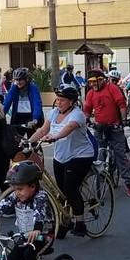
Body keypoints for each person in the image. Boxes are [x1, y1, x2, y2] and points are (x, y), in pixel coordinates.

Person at [28, 84, 93, 237]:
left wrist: (55, 136)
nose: (58, 102)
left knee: (70, 189)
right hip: (60, 156)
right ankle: (64, 222)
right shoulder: (53, 112)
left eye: (62, 100)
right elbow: (43, 130)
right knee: (60, 191)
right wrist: (28, 141)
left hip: (80, 155)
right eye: (57, 99)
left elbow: (68, 128)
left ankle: (80, 223)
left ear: (72, 101)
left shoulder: (77, 115)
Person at [83, 69, 130, 196]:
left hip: (115, 127)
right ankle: (101, 178)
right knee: (98, 154)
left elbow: (121, 105)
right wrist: (85, 121)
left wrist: (123, 120)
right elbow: (87, 110)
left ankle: (128, 183)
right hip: (99, 127)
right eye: (90, 82)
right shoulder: (90, 93)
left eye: (95, 81)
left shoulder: (112, 88)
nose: (93, 84)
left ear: (102, 80)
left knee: (120, 155)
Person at [3, 67, 44, 134]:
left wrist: (35, 119)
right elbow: (7, 101)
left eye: (20, 80)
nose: (18, 82)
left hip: (31, 117)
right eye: (16, 80)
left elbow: (37, 103)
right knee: (15, 140)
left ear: (26, 79)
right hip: (18, 117)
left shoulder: (33, 88)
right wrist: (1, 115)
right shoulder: (14, 88)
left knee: (32, 140)